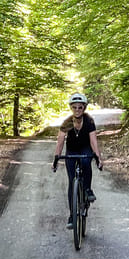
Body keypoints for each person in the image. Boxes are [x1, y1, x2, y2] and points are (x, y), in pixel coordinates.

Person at [52, 93, 103, 229]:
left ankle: (87, 190)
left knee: (86, 162)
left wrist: (98, 157)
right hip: (72, 151)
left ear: (84, 107)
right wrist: (56, 158)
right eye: (74, 107)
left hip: (85, 148)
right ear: (71, 108)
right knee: (71, 181)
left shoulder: (89, 121)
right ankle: (71, 215)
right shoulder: (67, 122)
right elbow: (60, 142)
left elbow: (93, 141)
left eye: (80, 107)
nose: (77, 109)